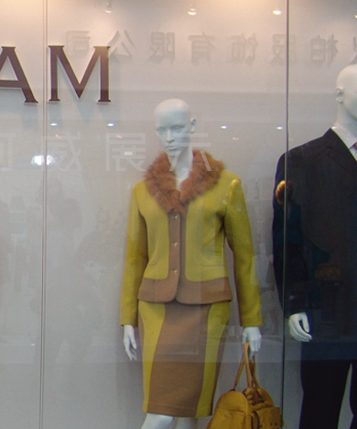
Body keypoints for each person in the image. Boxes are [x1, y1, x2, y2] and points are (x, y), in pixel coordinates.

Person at [120, 99, 262, 429]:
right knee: (160, 411)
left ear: (193, 127)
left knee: (191, 410)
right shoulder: (142, 191)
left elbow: (244, 256)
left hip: (206, 308)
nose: (169, 138)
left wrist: (252, 319)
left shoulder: (226, 186)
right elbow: (135, 257)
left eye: (177, 128)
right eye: (162, 130)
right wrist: (127, 318)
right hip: (156, 308)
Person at [273, 64, 357, 429]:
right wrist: (294, 302)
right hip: (327, 310)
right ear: (339, 94)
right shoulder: (302, 161)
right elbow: (287, 240)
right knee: (320, 410)